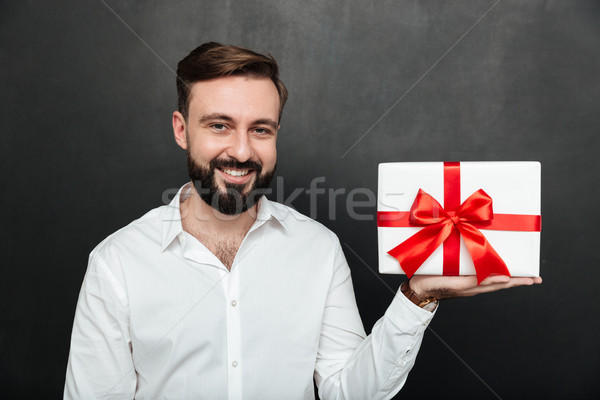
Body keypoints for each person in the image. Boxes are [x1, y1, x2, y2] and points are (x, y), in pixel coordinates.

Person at [64, 42, 541, 399]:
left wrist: (418, 296)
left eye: (261, 130)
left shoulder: (318, 248)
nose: (242, 150)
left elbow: (349, 392)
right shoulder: (116, 264)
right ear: (181, 130)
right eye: (219, 125)